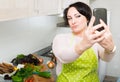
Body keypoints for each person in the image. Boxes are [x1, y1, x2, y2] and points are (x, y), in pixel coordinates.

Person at [52, 1, 116, 82]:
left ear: (87, 18)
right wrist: (84, 44)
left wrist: (111, 49)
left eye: (78, 16)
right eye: (69, 18)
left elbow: (106, 58)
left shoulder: (95, 38)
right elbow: (64, 57)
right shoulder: (60, 38)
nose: (73, 21)